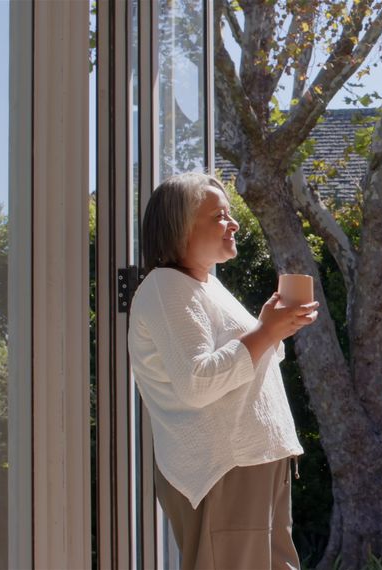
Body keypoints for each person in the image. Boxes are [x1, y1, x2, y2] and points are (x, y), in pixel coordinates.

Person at [127, 172, 318, 570]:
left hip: (251, 460)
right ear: (181, 228)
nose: (232, 224)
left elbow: (248, 362)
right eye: (219, 216)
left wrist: (273, 328)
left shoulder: (205, 286)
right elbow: (197, 381)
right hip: (224, 466)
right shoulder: (167, 288)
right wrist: (266, 332)